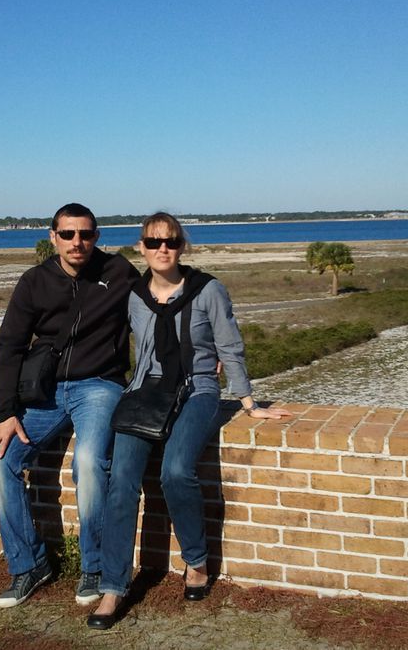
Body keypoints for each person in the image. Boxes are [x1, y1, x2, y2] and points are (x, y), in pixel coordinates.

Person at [88, 212, 291, 629]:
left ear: (183, 246)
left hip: (197, 390)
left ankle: (196, 562)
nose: (163, 249)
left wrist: (249, 404)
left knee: (177, 471)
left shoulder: (208, 290)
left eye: (172, 241)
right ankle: (112, 587)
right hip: (146, 391)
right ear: (141, 248)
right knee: (121, 480)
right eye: (154, 241)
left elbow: (230, 346)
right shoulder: (133, 295)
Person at [0, 203, 139, 608]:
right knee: (1, 461)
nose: (77, 242)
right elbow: (10, 345)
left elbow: (158, 306)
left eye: (85, 234)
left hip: (99, 386)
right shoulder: (35, 281)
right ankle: (29, 565)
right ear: (53, 236)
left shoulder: (119, 273)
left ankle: (96, 565)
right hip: (45, 392)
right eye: (68, 234)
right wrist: (6, 412)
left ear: (96, 237)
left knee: (88, 462)